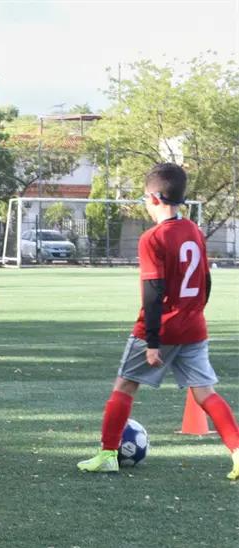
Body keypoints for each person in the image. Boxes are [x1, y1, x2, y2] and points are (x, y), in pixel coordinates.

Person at [78, 163, 239, 478]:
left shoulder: (153, 238)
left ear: (153, 198)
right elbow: (206, 281)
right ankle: (237, 451)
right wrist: (194, 313)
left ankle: (108, 453)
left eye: (142, 200)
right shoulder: (194, 230)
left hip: (160, 328)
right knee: (205, 393)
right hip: (194, 327)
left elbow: (153, 291)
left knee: (124, 386)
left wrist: (152, 341)